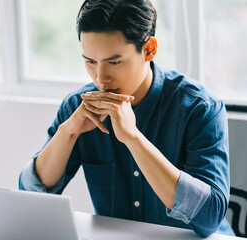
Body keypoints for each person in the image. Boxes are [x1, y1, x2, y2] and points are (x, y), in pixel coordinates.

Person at [19, 0, 234, 237]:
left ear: (149, 49)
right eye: (90, 61)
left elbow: (210, 217)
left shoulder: (200, 108)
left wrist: (133, 138)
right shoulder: (76, 106)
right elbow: (30, 198)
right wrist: (67, 132)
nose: (101, 78)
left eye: (114, 62)